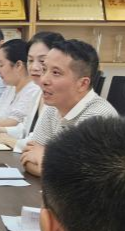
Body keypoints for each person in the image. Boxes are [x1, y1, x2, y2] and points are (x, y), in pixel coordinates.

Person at [19, 39, 117, 177]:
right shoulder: (53, 107)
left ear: (82, 84)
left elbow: (79, 178)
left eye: (56, 73)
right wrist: (54, 165)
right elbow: (28, 157)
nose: (43, 80)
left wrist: (46, 159)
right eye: (44, 70)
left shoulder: (98, 117)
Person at [0, 32, 62, 149]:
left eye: (42, 61)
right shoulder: (39, 92)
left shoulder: (46, 94)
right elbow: (25, 129)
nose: (34, 67)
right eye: (30, 60)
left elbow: (47, 145)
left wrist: (14, 142)